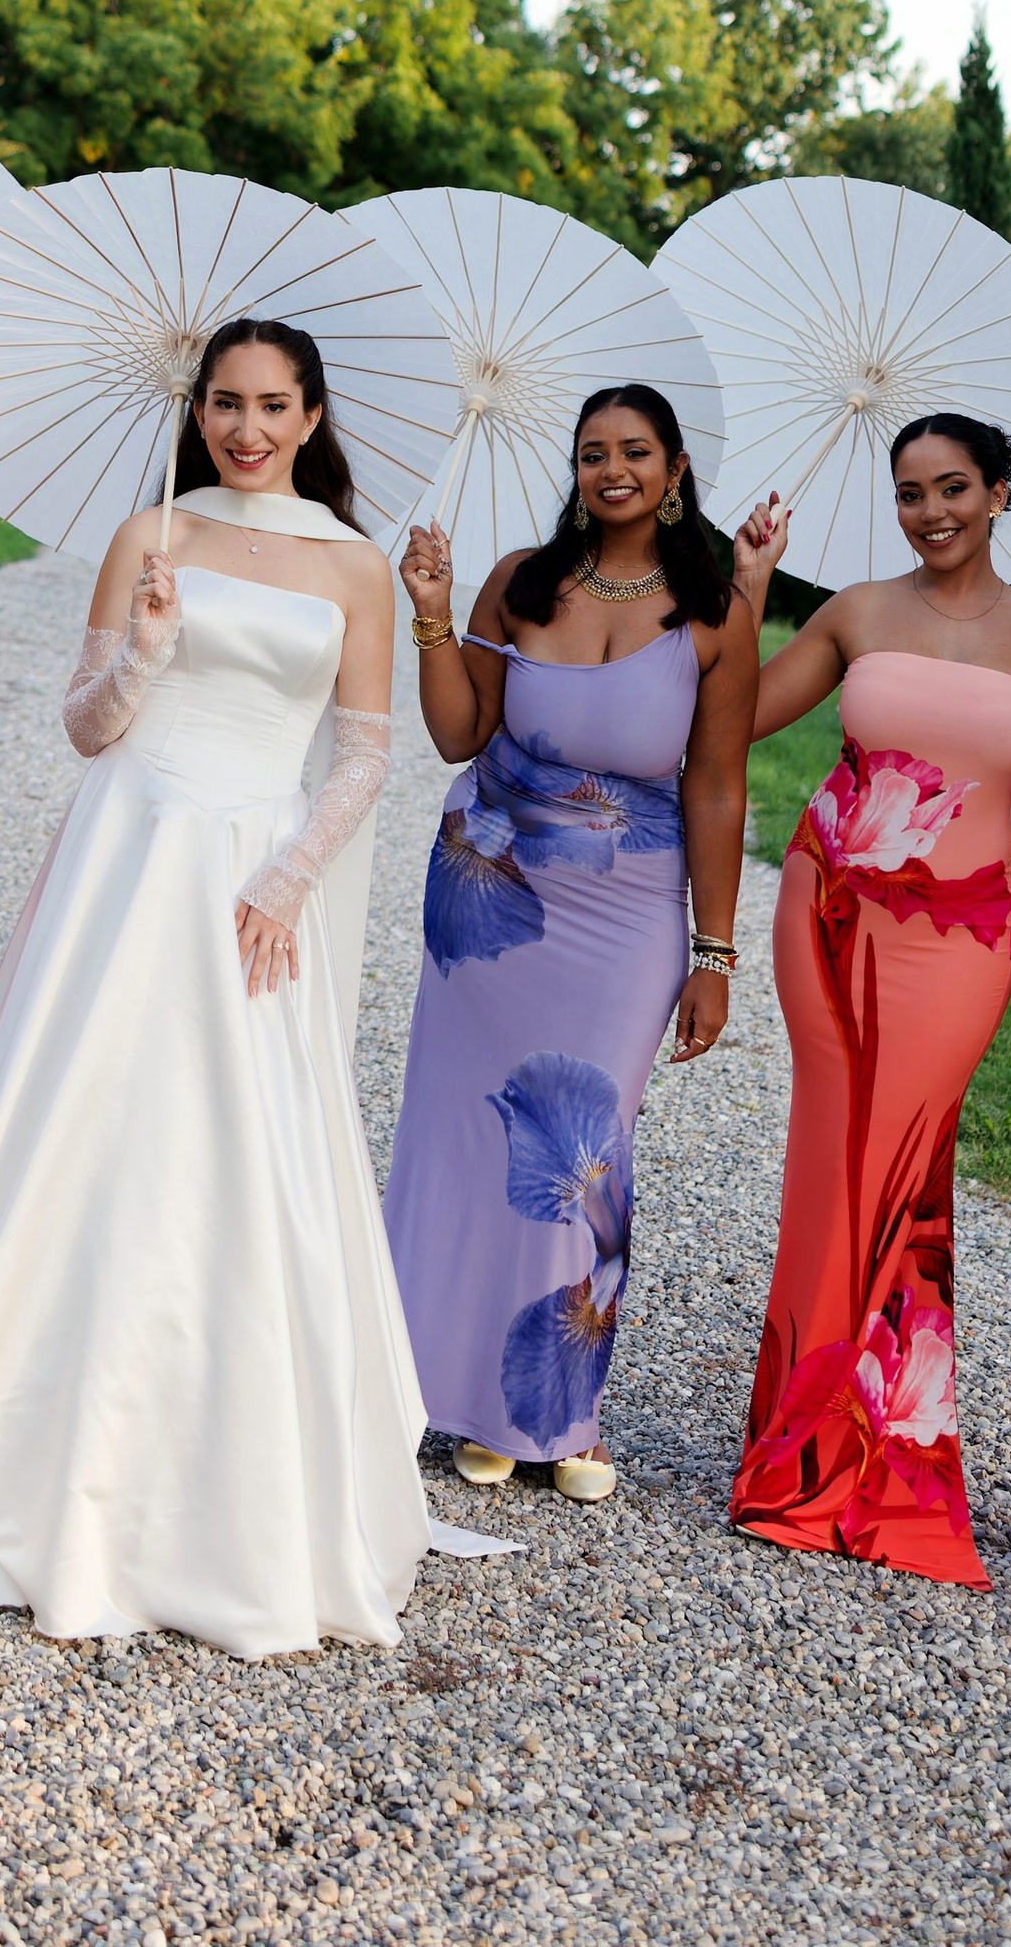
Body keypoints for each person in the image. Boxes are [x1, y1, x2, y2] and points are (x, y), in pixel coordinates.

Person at [0, 317, 433, 1657]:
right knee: (77, 1112)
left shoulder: (355, 566)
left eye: (271, 405)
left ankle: (220, 1475)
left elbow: (367, 752)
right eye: (225, 403)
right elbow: (82, 727)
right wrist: (141, 653)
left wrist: (291, 874)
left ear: (312, 418)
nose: (246, 428)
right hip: (128, 849)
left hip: (255, 869)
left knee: (228, 1143)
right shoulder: (152, 534)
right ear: (196, 411)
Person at [385, 385, 776, 1501]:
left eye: (636, 452)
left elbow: (717, 787)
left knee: (587, 1149)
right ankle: (461, 1394)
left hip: (628, 916)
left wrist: (714, 955)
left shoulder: (715, 613)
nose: (613, 470)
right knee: (467, 1138)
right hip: (490, 894)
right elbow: (458, 732)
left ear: (675, 468)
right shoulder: (520, 582)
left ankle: (559, 1408)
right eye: (594, 452)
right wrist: (432, 611)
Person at [729, 412, 1011, 1587]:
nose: (930, 512)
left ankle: (885, 1459)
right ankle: (799, 1456)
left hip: (960, 938)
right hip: (829, 912)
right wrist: (749, 588)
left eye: (952, 488)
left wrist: (946, 848)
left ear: (998, 494)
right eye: (910, 493)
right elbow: (733, 719)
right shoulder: (856, 612)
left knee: (905, 1171)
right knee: (832, 1162)